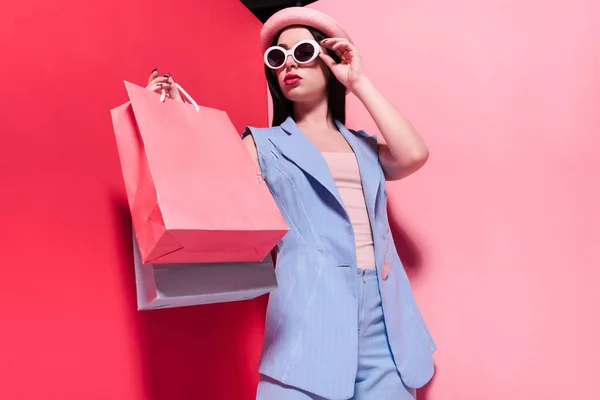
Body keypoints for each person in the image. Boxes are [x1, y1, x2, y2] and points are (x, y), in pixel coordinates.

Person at [145, 7, 436, 400]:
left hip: (387, 328)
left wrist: (359, 81)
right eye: (277, 58)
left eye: (301, 51)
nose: (288, 65)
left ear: (329, 60)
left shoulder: (364, 147)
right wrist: (165, 120)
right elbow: (207, 191)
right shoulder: (262, 145)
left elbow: (414, 154)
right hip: (308, 322)